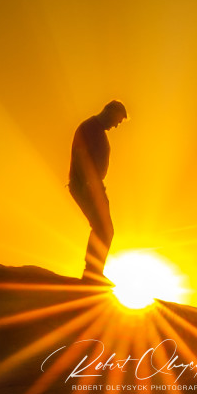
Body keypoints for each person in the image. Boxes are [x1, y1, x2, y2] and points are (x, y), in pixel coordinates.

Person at [68, 99, 127, 284]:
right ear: (109, 111)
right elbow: (80, 154)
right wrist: (88, 184)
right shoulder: (90, 128)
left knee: (105, 229)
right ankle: (91, 273)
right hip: (86, 186)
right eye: (118, 120)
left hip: (94, 186)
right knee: (103, 228)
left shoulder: (97, 131)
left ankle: (94, 272)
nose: (116, 125)